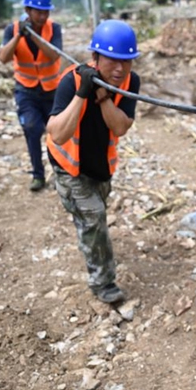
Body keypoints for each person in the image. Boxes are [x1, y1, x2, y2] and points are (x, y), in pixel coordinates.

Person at [45, 20, 141, 304]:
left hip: (101, 168)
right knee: (94, 219)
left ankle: (92, 246)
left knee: (93, 219)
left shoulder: (129, 82)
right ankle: (103, 283)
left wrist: (102, 98)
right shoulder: (71, 80)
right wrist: (82, 93)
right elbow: (58, 134)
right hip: (70, 167)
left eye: (127, 62)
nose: (120, 69)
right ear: (95, 57)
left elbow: (121, 126)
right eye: (112, 61)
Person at [0, 0, 62, 191]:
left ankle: (61, 172)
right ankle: (38, 175)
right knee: (32, 129)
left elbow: (54, 55)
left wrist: (33, 36)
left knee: (57, 133)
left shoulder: (55, 29)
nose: (43, 16)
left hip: (52, 91)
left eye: (46, 12)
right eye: (38, 11)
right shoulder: (12, 30)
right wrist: (19, 37)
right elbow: (3, 57)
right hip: (26, 90)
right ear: (28, 11)